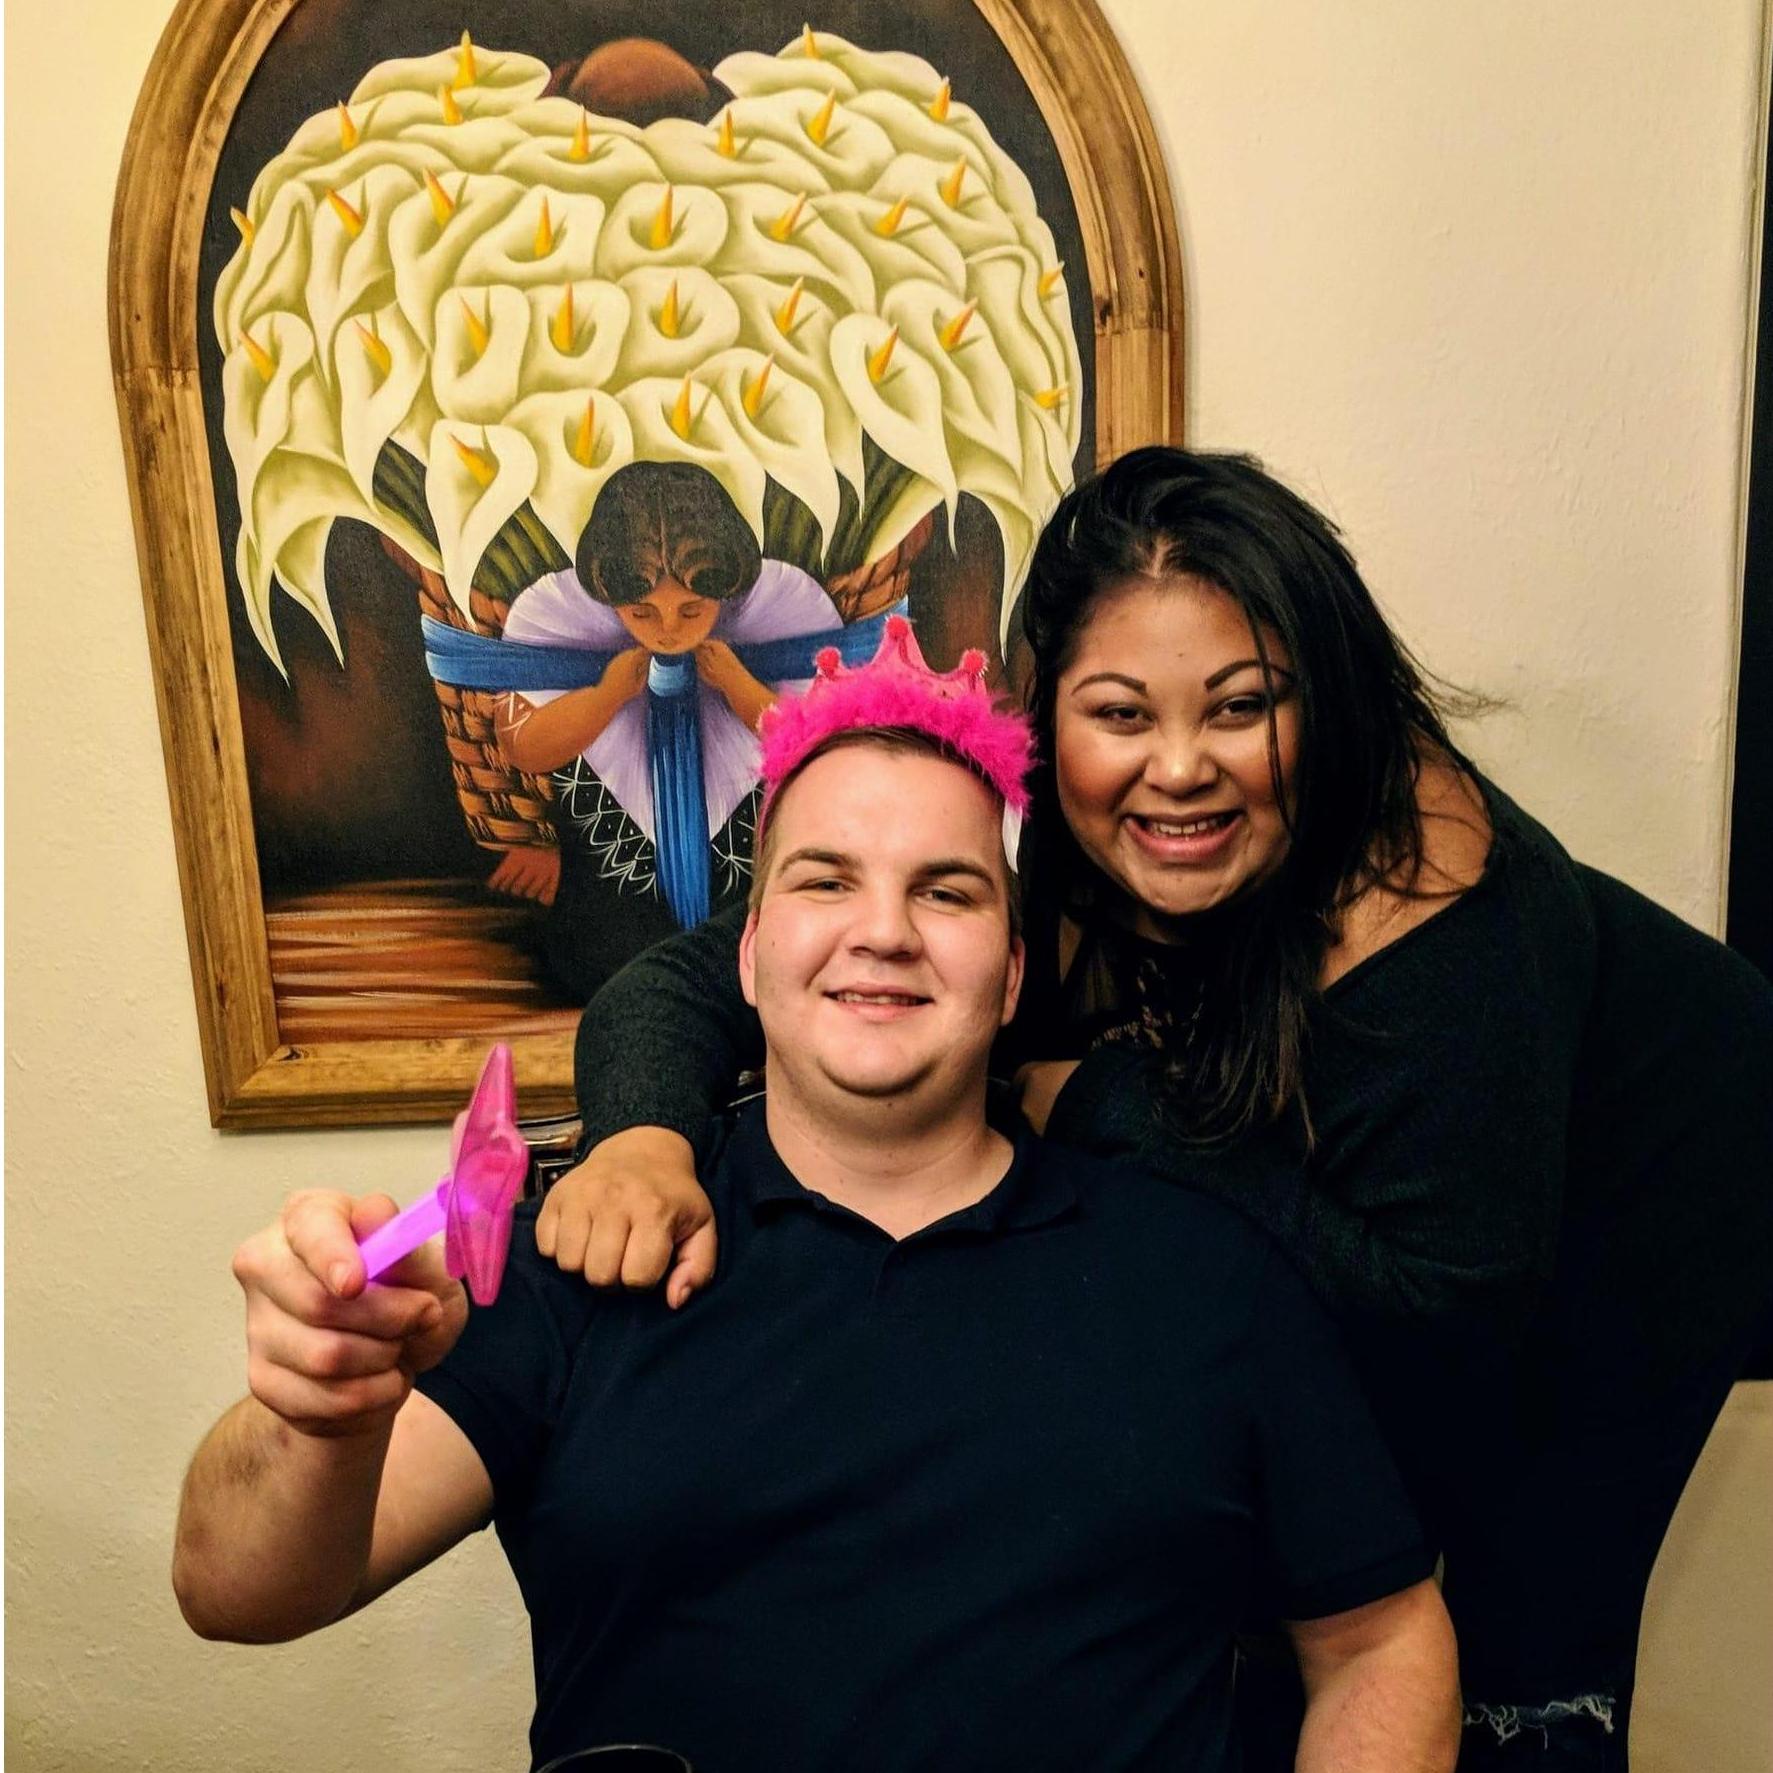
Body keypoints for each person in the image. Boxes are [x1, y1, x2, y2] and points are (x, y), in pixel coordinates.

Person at [543, 449, 1773, 1769]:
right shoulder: (1039, 831)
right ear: (1044, 715)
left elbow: (1437, 1322)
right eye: (1120, 714)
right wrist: (643, 1139)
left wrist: (1107, 1099)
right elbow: (685, 984)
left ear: (1320, 701)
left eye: (1241, 708)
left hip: (1639, 1197)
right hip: (1364, 1187)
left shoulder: (1434, 909)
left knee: (1504, 1631)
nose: (1178, 769)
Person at [172, 624, 1460, 1773]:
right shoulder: (573, 1254)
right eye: (826, 880)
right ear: (746, 955)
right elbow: (233, 1589)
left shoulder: (1207, 1276)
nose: (883, 931)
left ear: (1013, 975)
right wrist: (317, 1412)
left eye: (945, 891)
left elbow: (1383, 1642)